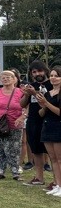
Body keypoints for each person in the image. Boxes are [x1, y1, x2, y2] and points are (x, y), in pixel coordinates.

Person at [0, 70, 24, 180]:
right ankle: (0, 171)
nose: (5, 79)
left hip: (14, 124)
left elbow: (27, 106)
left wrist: (23, 116)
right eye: (3, 77)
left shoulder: (20, 92)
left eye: (8, 77)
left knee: (14, 149)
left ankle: (15, 171)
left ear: (14, 79)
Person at [20, 60, 50, 186]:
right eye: (34, 72)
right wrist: (27, 94)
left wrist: (34, 93)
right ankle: (39, 177)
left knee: (51, 152)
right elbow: (22, 104)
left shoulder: (51, 84)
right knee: (36, 151)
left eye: (40, 71)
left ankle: (56, 181)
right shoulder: (31, 85)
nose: (38, 73)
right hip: (33, 121)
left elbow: (48, 100)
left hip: (48, 121)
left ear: (45, 71)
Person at [38, 66, 61, 197]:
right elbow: (42, 113)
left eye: (56, 76)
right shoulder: (48, 93)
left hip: (58, 127)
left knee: (59, 158)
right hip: (47, 126)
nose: (53, 78)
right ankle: (57, 184)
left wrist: (46, 103)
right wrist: (42, 106)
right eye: (51, 75)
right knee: (53, 159)